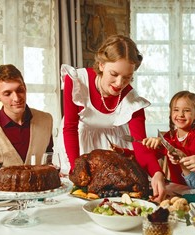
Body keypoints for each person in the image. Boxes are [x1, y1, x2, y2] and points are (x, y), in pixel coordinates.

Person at [59, 34, 166, 202]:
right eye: (114, 74)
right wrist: (77, 169)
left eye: (127, 77)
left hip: (112, 146)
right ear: (101, 65)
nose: (119, 83)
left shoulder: (132, 100)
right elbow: (70, 128)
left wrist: (157, 173)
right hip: (79, 144)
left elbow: (140, 144)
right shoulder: (77, 81)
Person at [142, 91, 195, 185]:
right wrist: (125, 152)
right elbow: (149, 155)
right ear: (171, 113)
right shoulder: (169, 136)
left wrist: (164, 143)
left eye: (187, 110)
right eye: (176, 110)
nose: (180, 114)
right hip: (180, 188)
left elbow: (189, 156)